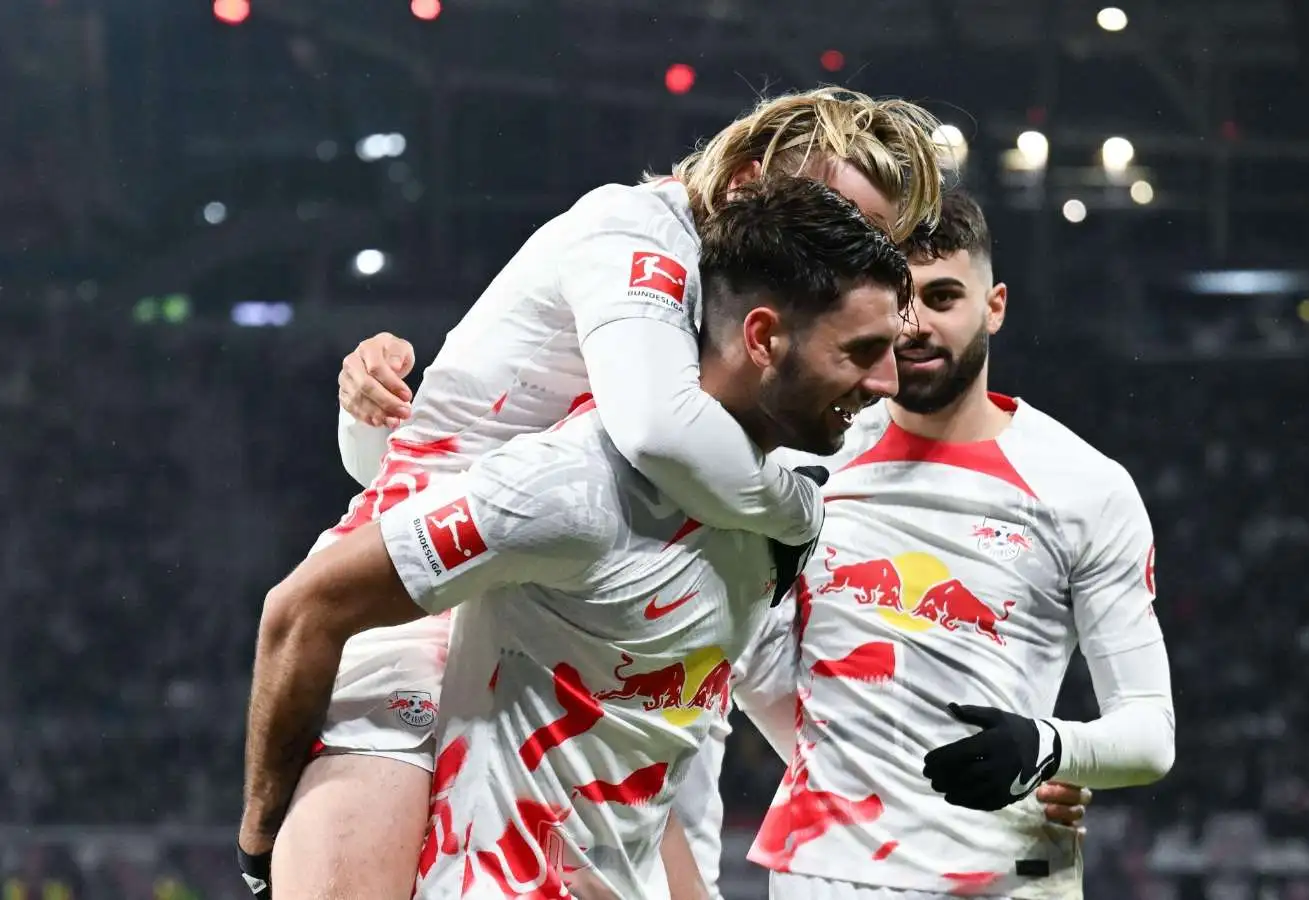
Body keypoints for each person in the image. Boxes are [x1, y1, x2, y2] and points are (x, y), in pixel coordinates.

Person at [239, 88, 946, 898]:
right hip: (421, 618)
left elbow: (764, 641)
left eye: (875, 241)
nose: (852, 255)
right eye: (836, 216)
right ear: (750, 181)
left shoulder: (772, 374)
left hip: (588, 655)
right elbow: (649, 435)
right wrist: (797, 511)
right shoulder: (637, 232)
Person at [722, 188, 1177, 898]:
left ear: (994, 305)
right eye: (900, 301)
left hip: (1006, 877)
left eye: (942, 297)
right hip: (827, 876)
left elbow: (1150, 735)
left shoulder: (1085, 487)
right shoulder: (808, 467)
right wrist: (860, 772)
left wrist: (1051, 749)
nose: (916, 326)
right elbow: (749, 662)